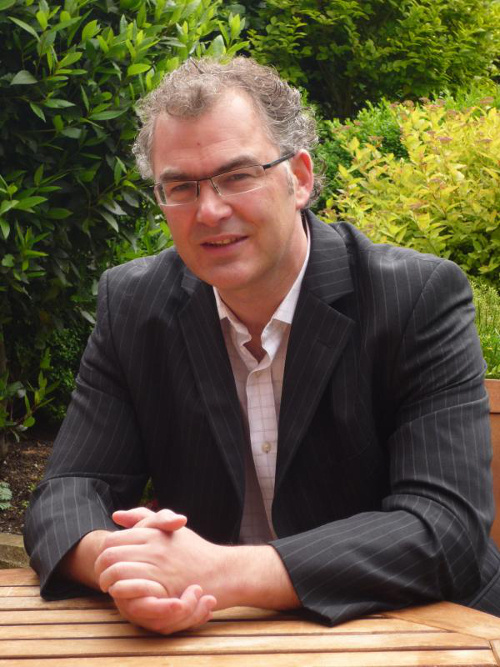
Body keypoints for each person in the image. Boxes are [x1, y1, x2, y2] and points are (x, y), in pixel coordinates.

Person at [24, 57, 500, 634]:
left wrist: (223, 572)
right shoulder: (134, 305)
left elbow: (445, 527)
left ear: (300, 178)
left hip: (421, 632)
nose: (210, 211)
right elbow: (68, 492)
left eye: (237, 176)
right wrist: (124, 567)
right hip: (211, 636)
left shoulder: (415, 297)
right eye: (181, 187)